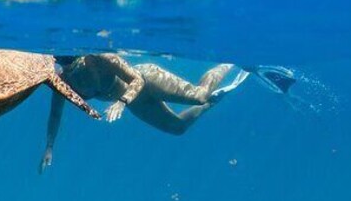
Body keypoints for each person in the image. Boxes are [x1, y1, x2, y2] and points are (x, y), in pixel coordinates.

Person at [39, 53, 250, 172]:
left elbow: (137, 80)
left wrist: (122, 102)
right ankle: (212, 103)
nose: (66, 66)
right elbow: (55, 113)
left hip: (147, 79)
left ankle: (230, 61)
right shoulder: (62, 82)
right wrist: (49, 147)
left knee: (199, 95)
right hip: (135, 102)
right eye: (61, 62)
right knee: (177, 127)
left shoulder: (99, 58)